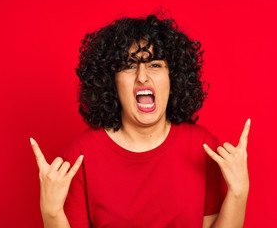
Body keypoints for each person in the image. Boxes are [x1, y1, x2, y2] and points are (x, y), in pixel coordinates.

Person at [31, 14, 250, 228]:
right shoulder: (83, 154)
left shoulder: (202, 146)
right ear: (111, 82)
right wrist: (51, 212)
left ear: (173, 78)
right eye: (129, 65)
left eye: (154, 65)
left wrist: (239, 193)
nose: (142, 76)